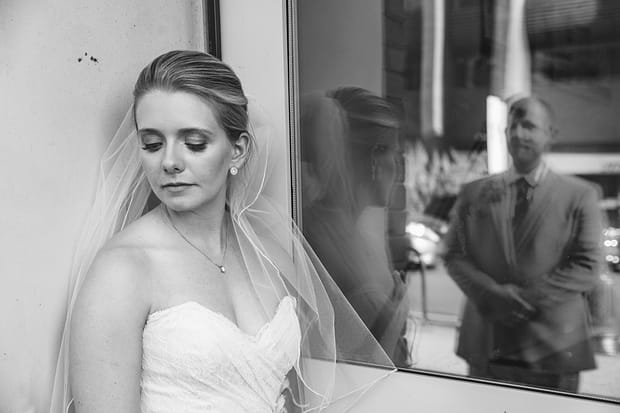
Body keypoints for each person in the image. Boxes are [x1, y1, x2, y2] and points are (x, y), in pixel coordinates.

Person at [49, 51, 394, 413]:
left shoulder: (269, 254)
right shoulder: (121, 271)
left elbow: (291, 395)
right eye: (152, 144)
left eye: (194, 143)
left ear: (238, 151)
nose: (169, 162)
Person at [444, 95, 602, 392]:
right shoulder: (473, 193)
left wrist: (523, 299)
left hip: (553, 346)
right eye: (512, 126)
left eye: (528, 126)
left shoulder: (580, 196)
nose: (518, 134)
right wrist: (491, 294)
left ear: (551, 134)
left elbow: (588, 265)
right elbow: (454, 255)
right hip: (487, 343)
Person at [301, 87, 411, 367]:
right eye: (395, 155)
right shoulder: (322, 238)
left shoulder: (352, 231)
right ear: (375, 159)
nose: (398, 169)